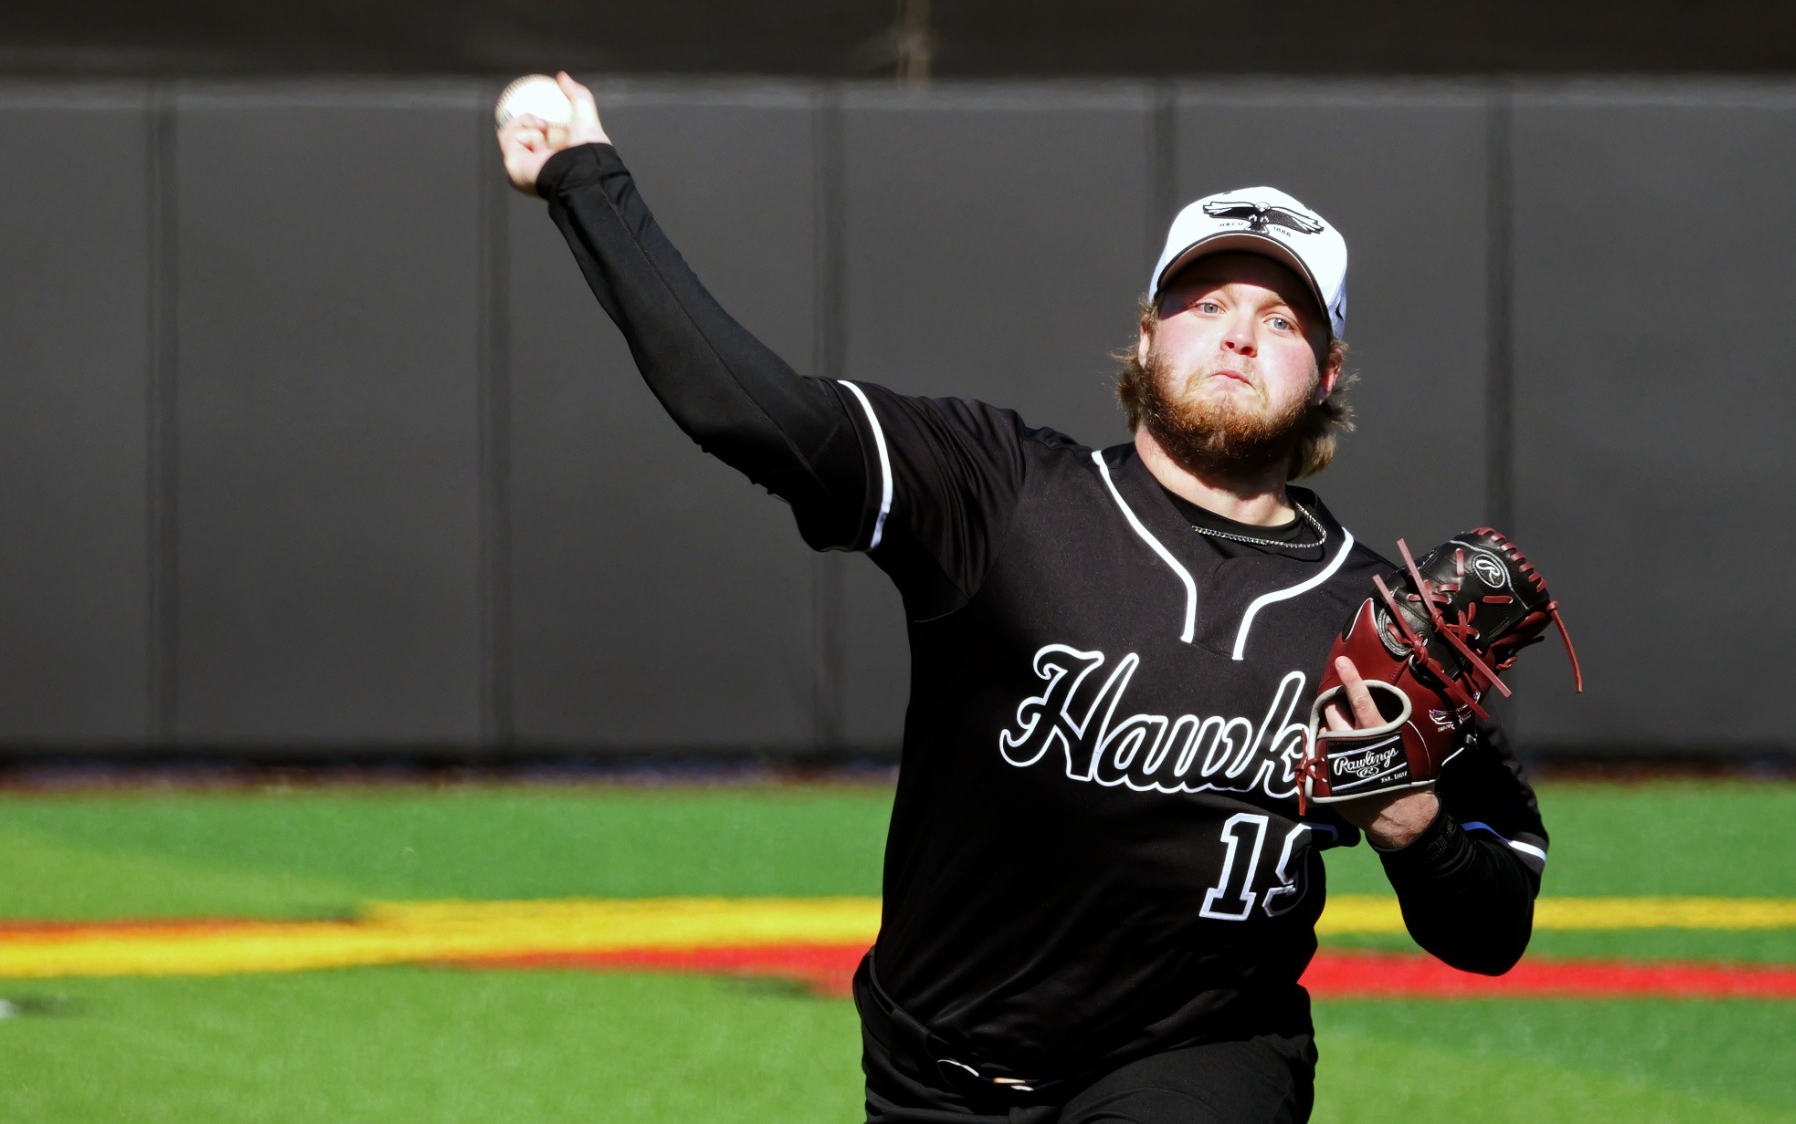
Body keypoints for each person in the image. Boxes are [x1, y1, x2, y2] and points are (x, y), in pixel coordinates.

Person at [501, 74, 1549, 1124]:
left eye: (1283, 318)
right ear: (1145, 336)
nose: (1238, 332)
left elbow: (1491, 925)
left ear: (1325, 372)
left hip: (1200, 1053)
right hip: (934, 1064)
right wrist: (585, 181)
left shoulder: (1375, 620)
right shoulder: (997, 493)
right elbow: (746, 409)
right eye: (1207, 302)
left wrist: (1418, 832)